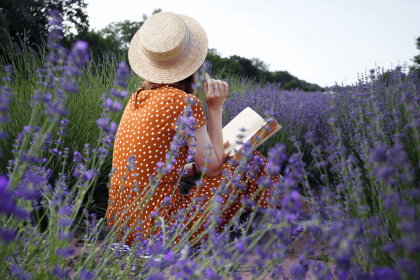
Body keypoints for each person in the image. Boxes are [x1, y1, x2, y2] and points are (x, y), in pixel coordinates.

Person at [106, 11, 317, 248]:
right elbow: (214, 168)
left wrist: (194, 168)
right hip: (163, 231)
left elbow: (151, 170)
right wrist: (215, 108)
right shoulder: (183, 102)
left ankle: (296, 211)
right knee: (247, 159)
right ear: (191, 64)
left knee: (239, 161)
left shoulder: (137, 99)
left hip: (124, 227)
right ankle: (304, 211)